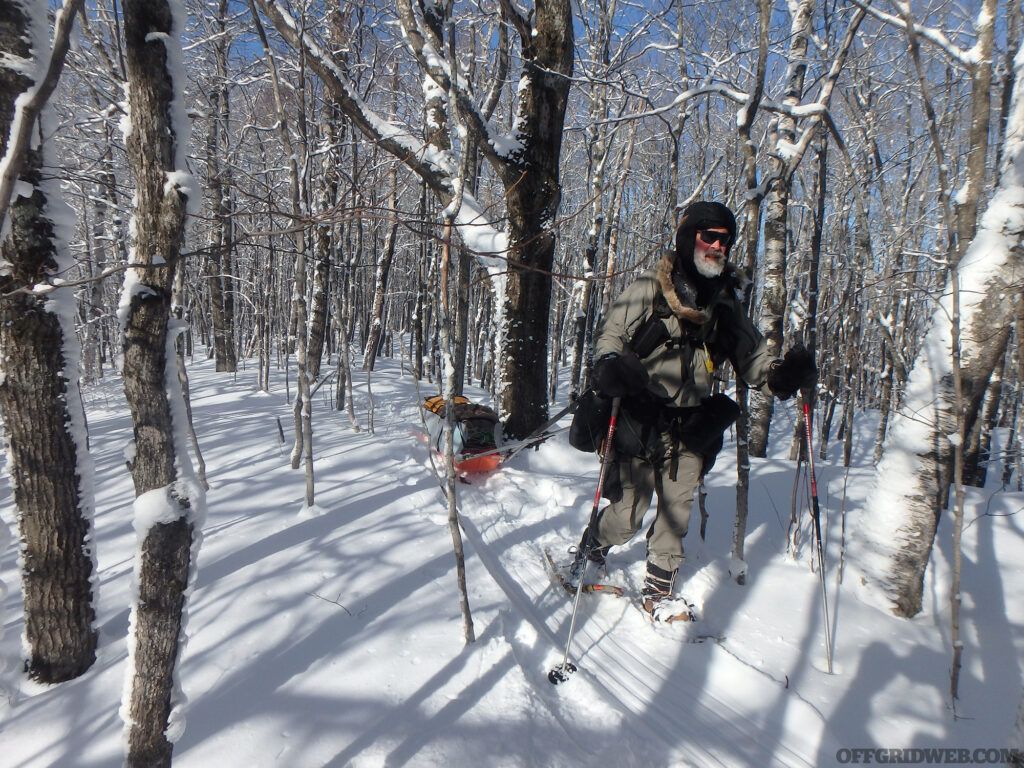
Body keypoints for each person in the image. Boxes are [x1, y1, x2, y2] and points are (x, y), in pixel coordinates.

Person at [569, 200, 816, 619]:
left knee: (676, 510)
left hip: (690, 422)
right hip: (638, 416)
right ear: (688, 238)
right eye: (709, 236)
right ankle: (593, 545)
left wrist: (781, 374)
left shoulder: (724, 303)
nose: (717, 246)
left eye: (725, 239)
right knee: (627, 516)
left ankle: (658, 592)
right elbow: (611, 335)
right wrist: (609, 366)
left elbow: (752, 356)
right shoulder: (650, 288)